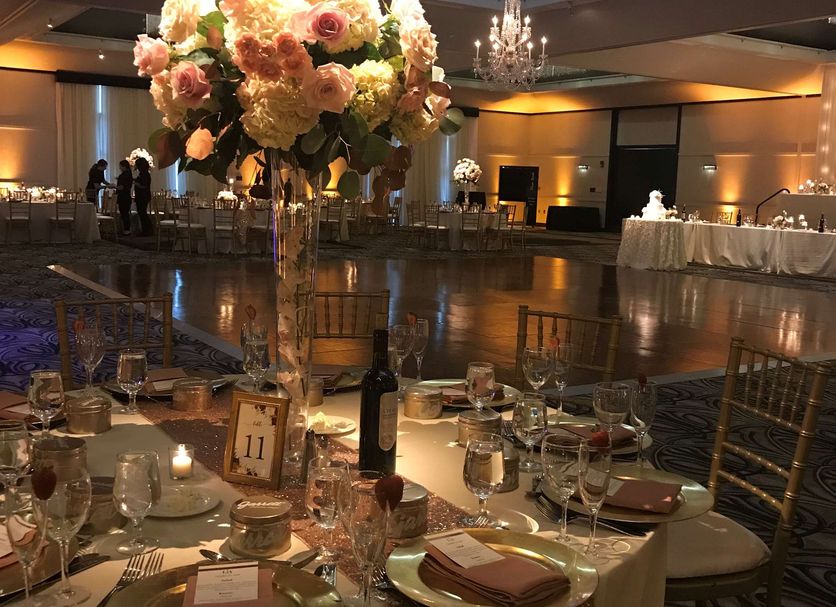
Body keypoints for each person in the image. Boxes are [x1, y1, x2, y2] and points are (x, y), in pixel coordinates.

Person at [133, 157, 153, 236]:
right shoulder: (143, 173)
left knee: (142, 213)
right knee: (142, 213)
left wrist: (135, 183)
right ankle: (147, 230)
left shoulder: (144, 174)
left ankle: (147, 230)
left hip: (143, 196)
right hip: (141, 196)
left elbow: (143, 186)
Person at [115, 160, 134, 235]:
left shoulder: (125, 175)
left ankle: (126, 229)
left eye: (120, 166)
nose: (120, 168)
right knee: (124, 213)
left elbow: (122, 187)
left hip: (123, 197)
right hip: (126, 196)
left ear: (124, 166)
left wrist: (114, 187)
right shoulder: (128, 174)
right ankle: (126, 229)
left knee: (124, 213)